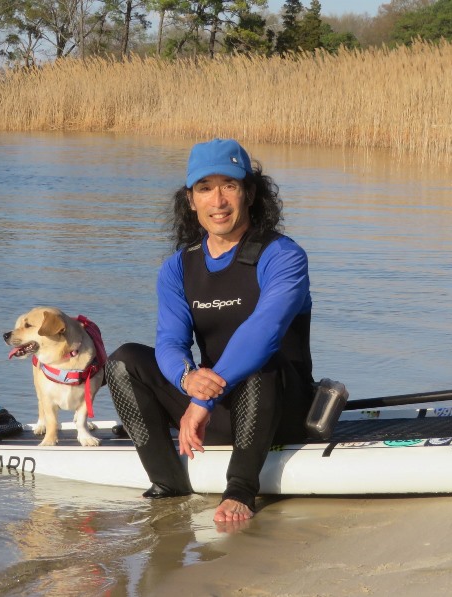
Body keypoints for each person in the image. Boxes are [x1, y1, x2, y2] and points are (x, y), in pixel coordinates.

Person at [105, 138, 314, 524]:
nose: (217, 201)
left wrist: (200, 403)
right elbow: (170, 341)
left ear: (249, 193)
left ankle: (240, 490)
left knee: (259, 360)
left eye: (229, 186)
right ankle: (168, 485)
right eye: (205, 188)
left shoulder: (283, 256)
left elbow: (263, 332)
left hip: (280, 408)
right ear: (191, 200)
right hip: (218, 410)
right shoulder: (177, 268)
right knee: (123, 361)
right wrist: (187, 381)